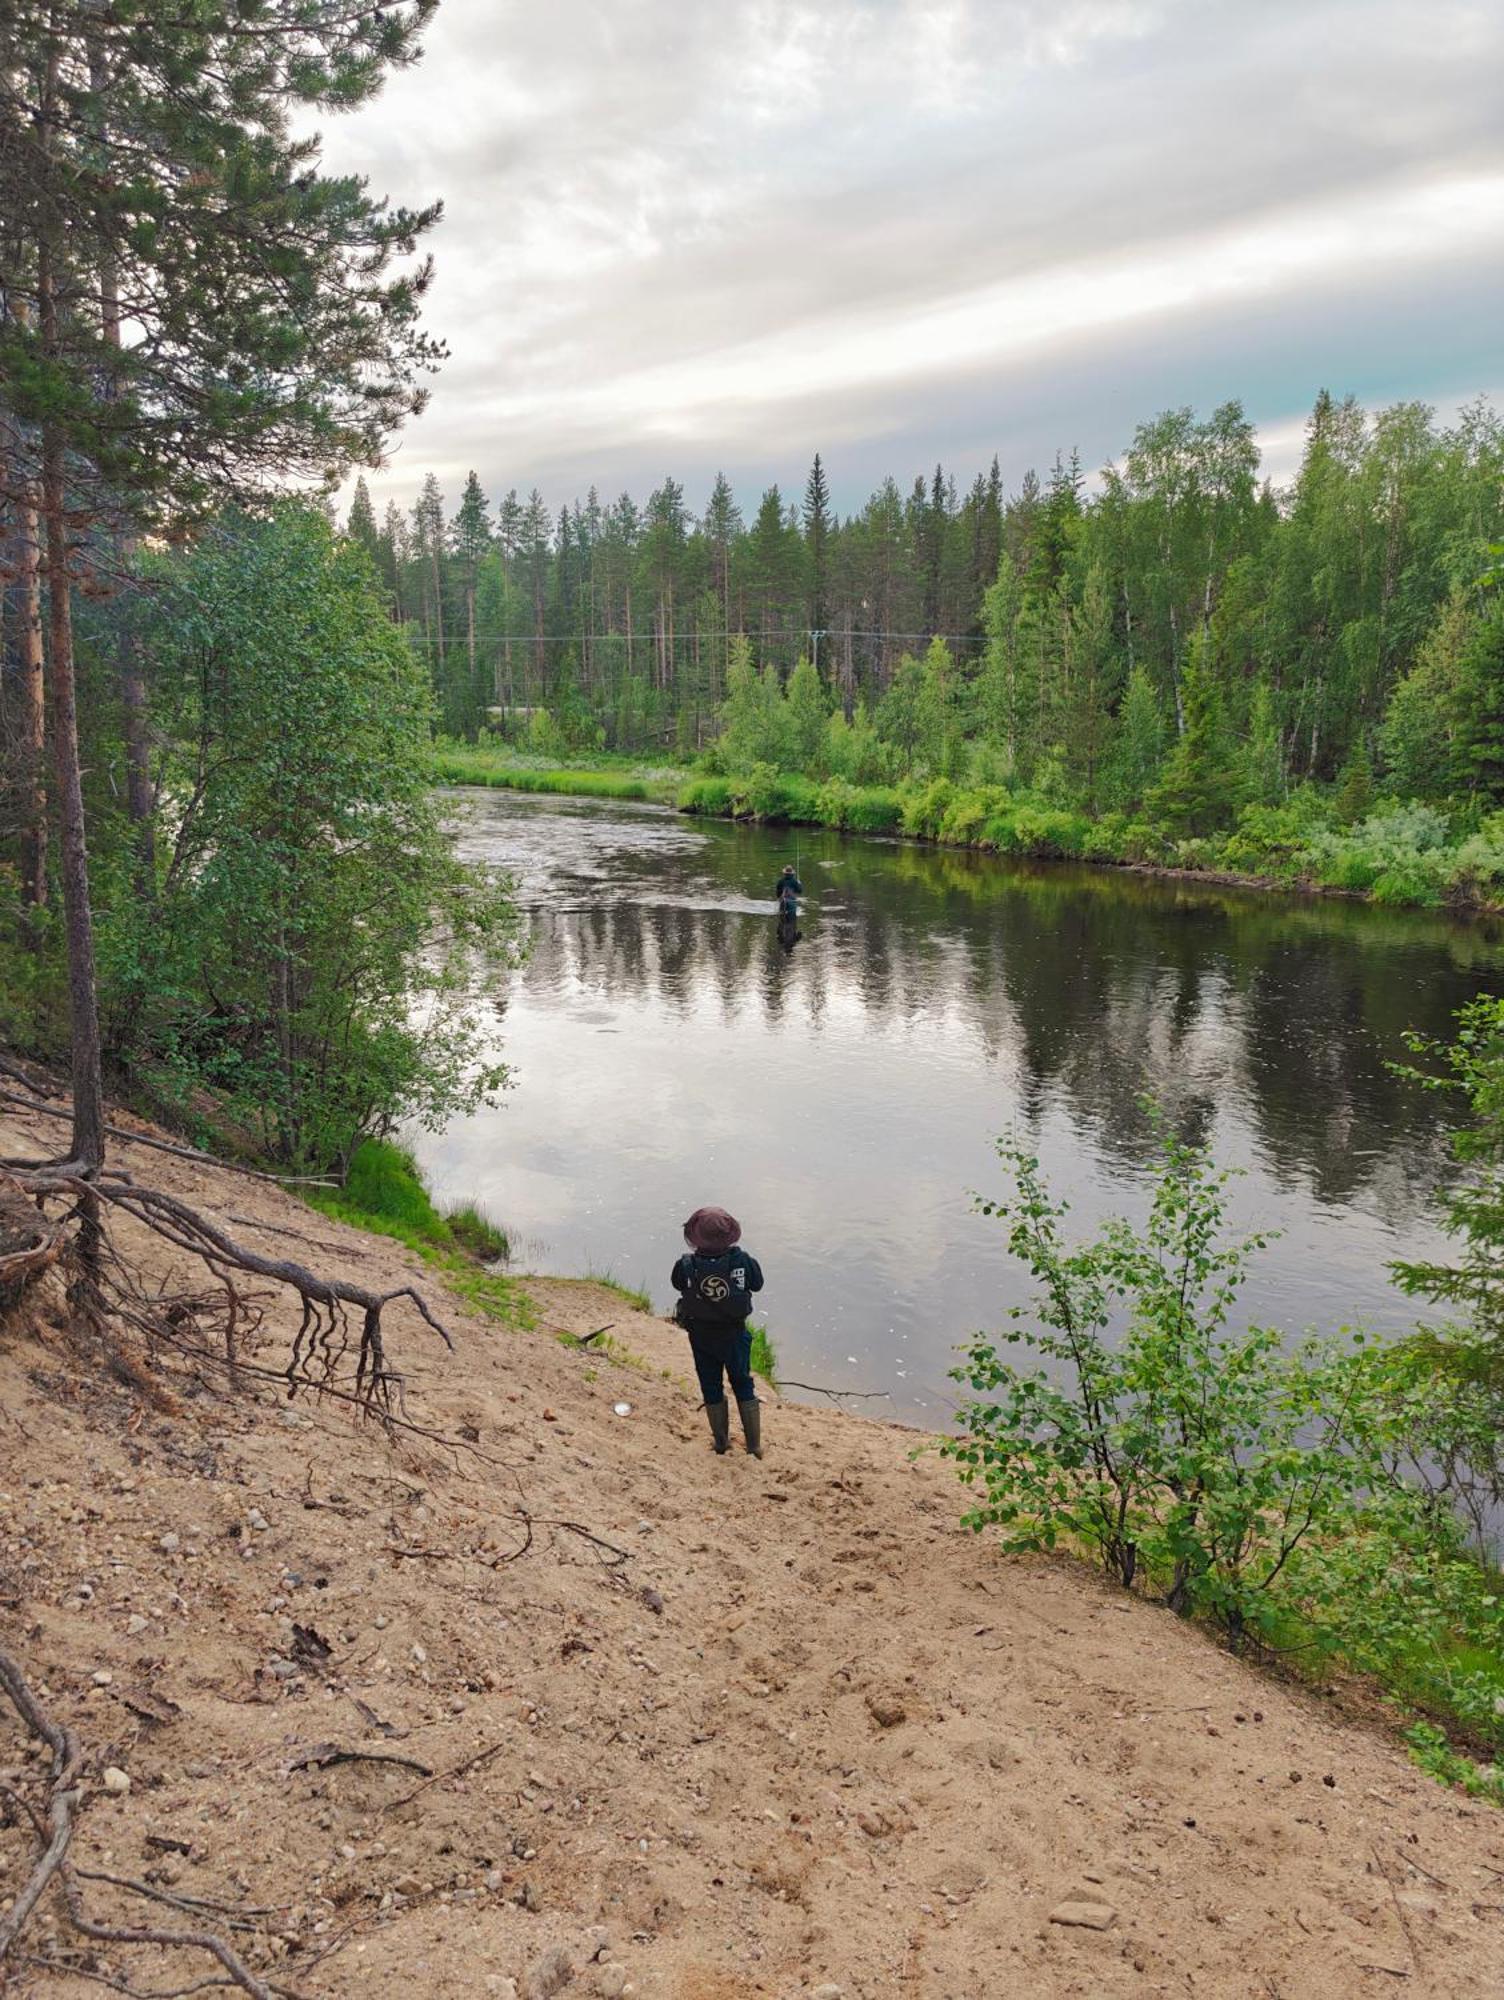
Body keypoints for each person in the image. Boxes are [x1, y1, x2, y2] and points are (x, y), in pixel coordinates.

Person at [671, 1205, 765, 1457]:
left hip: (701, 1336)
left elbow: (677, 1284)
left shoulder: (687, 1265)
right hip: (734, 1335)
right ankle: (754, 1446)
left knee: (710, 1385)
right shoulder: (743, 1261)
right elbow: (757, 1284)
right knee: (743, 1383)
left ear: (694, 1237)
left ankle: (721, 1443)